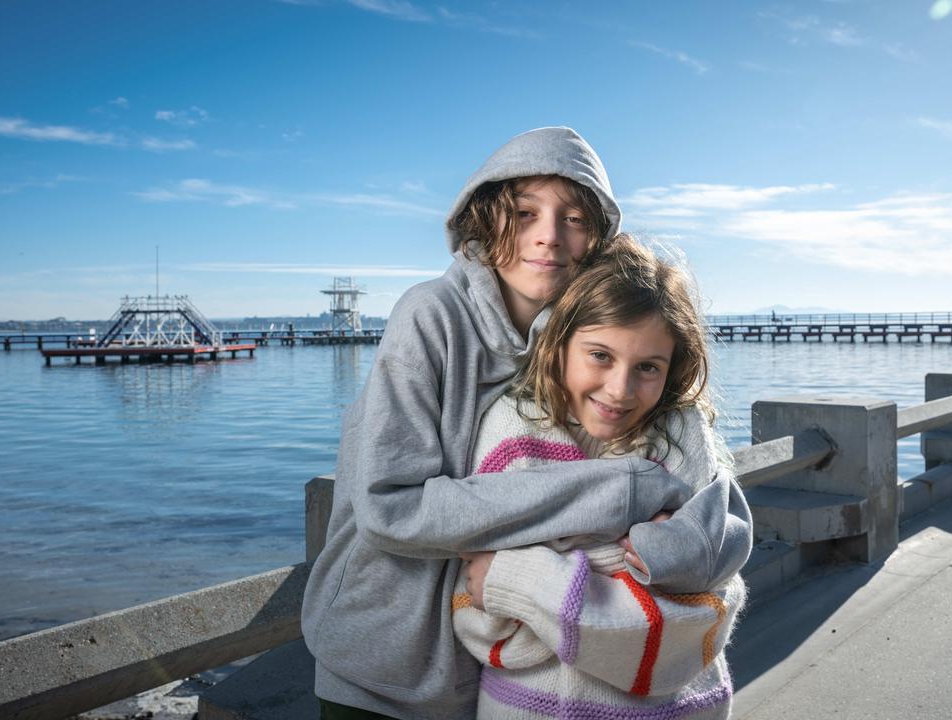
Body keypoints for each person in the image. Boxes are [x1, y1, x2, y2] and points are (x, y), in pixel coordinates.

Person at [301, 127, 752, 719]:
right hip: (385, 660)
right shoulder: (429, 316)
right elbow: (390, 507)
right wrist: (622, 493)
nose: (548, 237)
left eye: (574, 219)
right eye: (523, 212)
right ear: (485, 218)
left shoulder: (577, 334)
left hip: (500, 662)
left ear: (598, 237)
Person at [453, 236, 747, 719]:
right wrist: (639, 565)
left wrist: (526, 578)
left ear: (673, 367)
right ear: (559, 341)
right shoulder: (510, 427)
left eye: (648, 367)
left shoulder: (683, 432)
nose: (619, 390)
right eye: (600, 355)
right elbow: (482, 618)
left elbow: (714, 602)